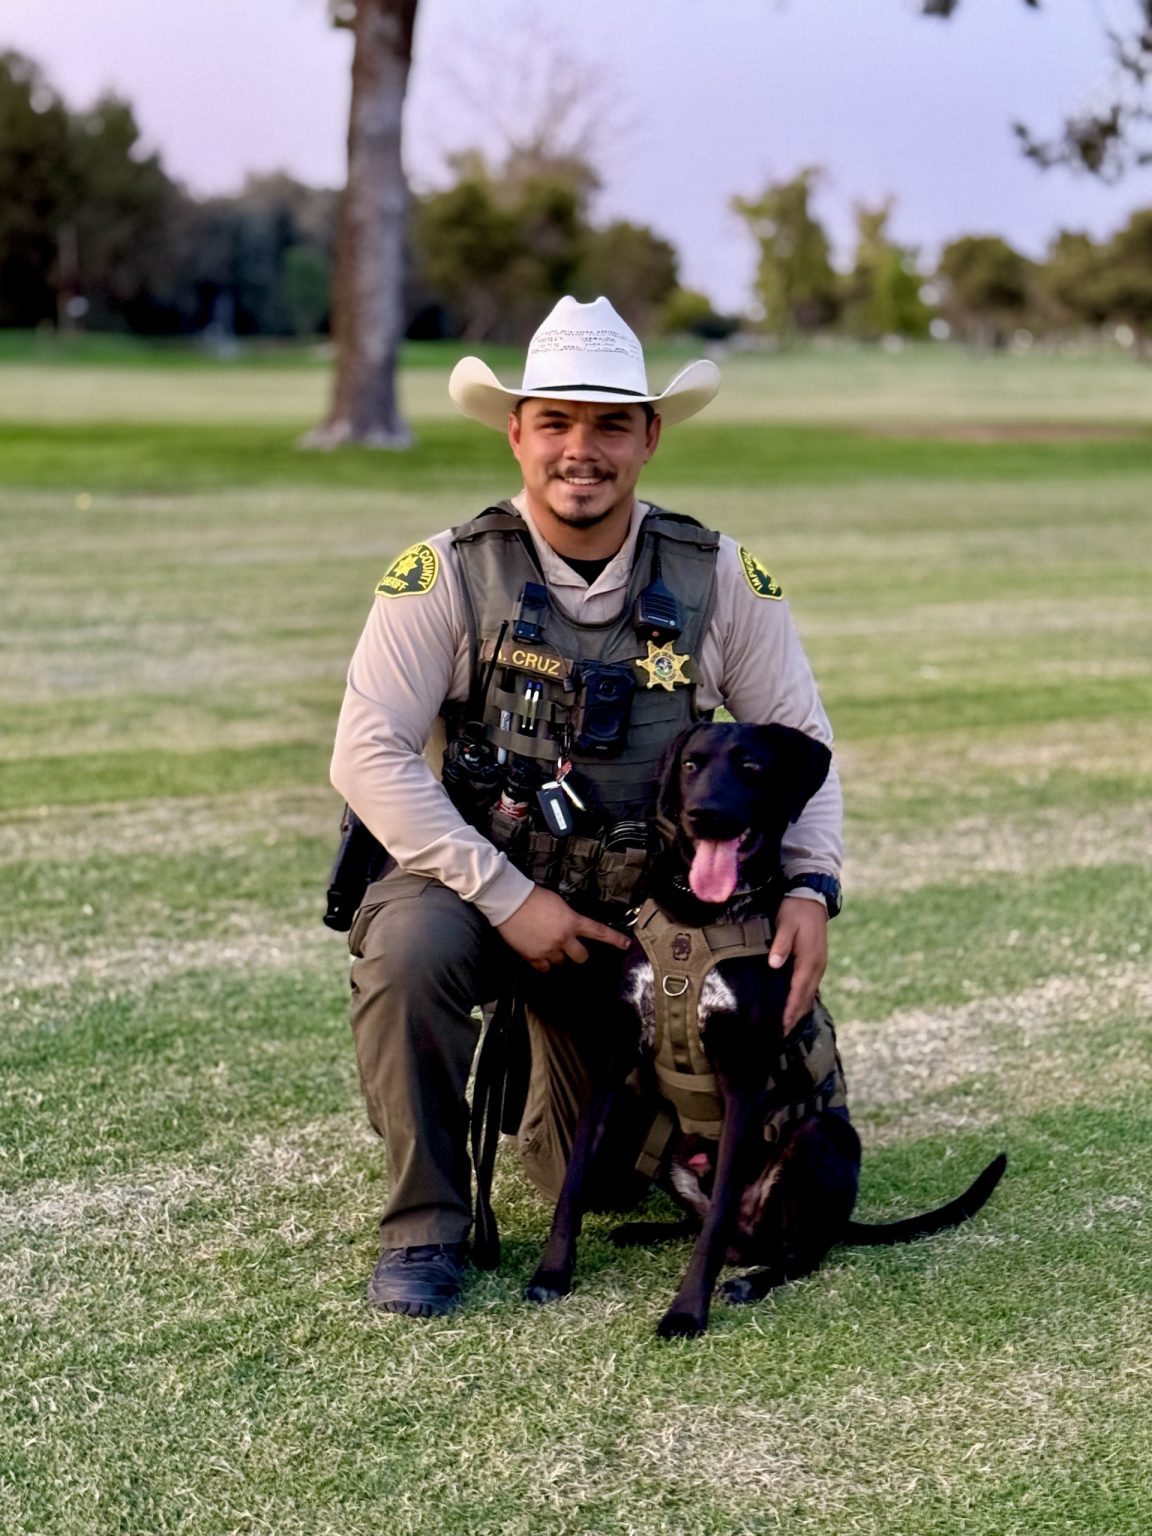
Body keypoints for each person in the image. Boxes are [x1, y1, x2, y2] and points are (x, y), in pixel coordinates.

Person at [330, 296, 843, 1318]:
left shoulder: (717, 576)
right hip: (476, 888)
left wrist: (812, 886)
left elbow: (800, 739)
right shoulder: (446, 573)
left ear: (649, 437)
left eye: (611, 424)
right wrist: (511, 899)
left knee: (592, 1183)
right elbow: (366, 754)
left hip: (634, 923)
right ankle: (423, 1230)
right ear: (516, 432)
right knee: (409, 950)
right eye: (556, 421)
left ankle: (561, 1075)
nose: (582, 449)